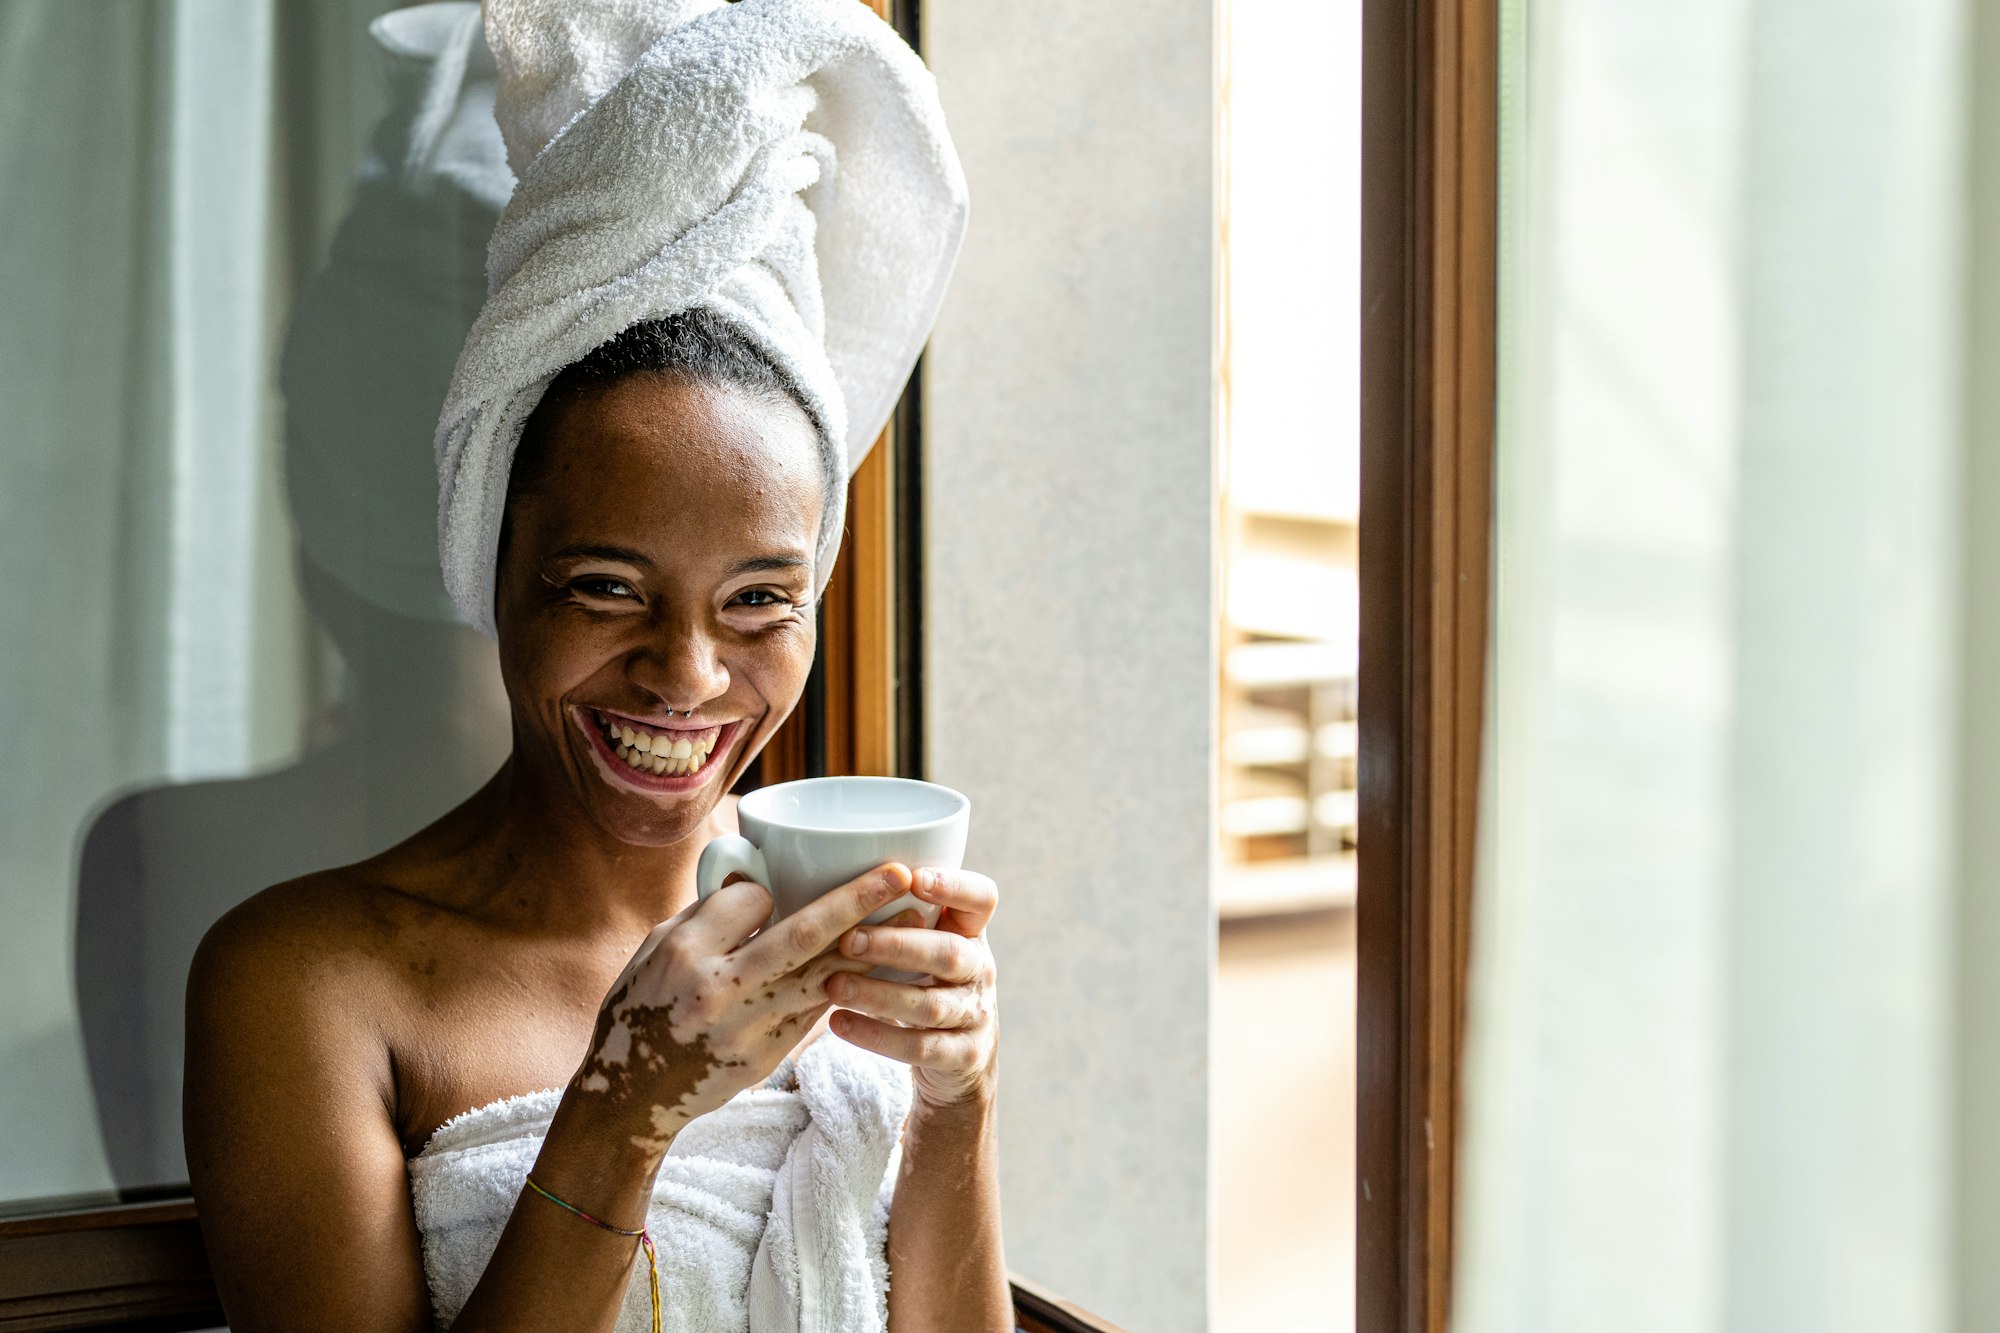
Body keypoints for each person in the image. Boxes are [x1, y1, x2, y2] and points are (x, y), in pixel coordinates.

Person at [182, 2, 996, 1329]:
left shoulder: (844, 930)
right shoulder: (306, 984)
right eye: (607, 587)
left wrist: (959, 1101)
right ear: (490, 566)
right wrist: (621, 1112)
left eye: (757, 602)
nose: (686, 674)